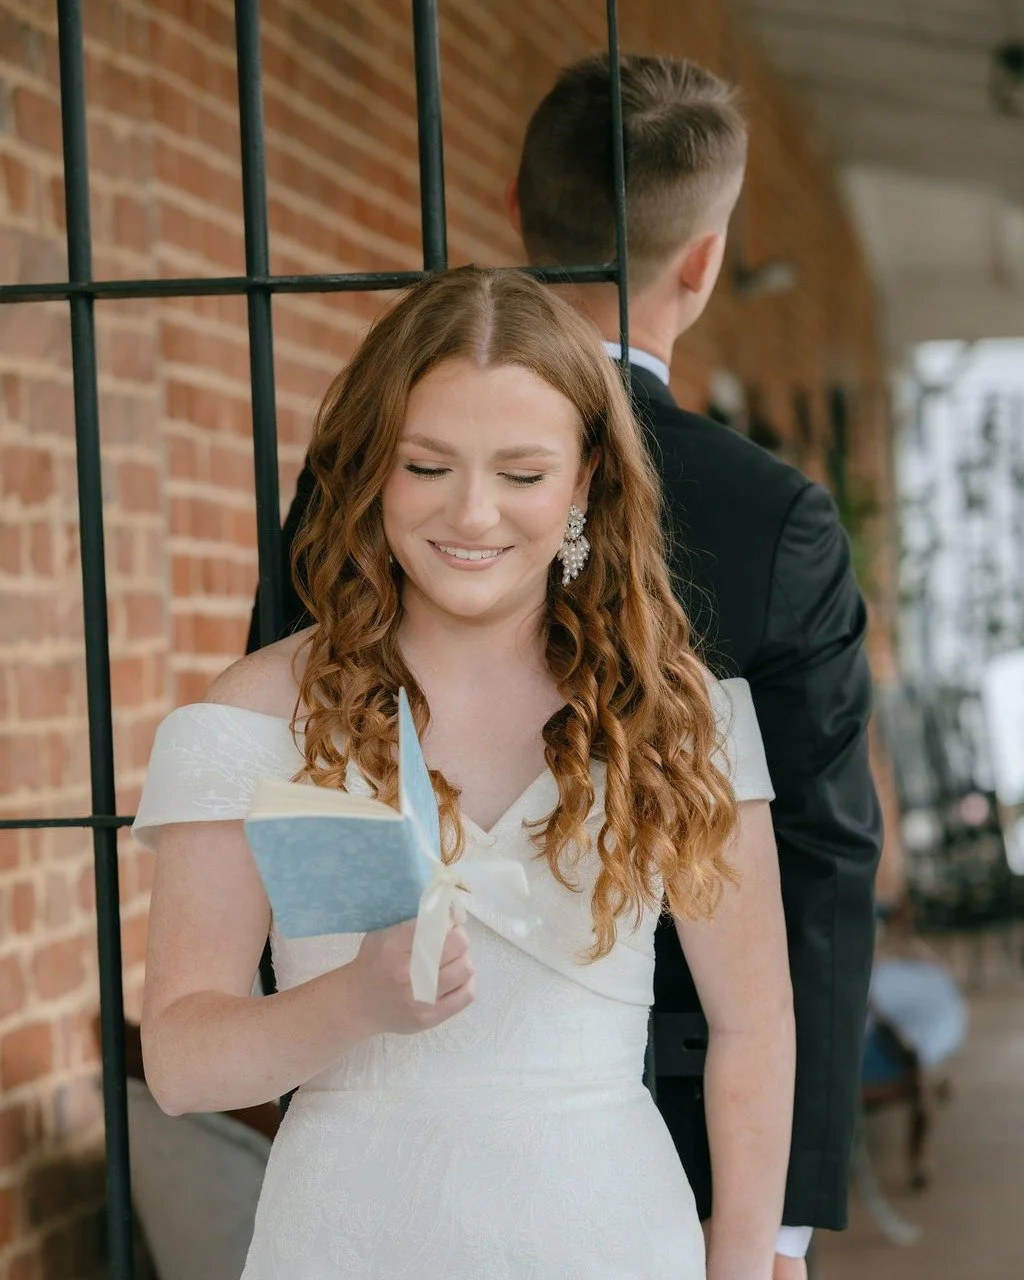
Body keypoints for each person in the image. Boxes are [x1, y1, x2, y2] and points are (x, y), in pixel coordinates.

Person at [252, 55, 883, 1276]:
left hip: (412, 1128)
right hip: (702, 1137)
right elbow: (822, 853)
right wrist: (774, 1231)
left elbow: (313, 769)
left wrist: (348, 1072)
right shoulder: (771, 514)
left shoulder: (360, 471)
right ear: (701, 260)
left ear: (515, 209)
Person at [135, 267, 794, 1278]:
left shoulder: (666, 715)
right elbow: (179, 1061)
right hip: (347, 1241)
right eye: (428, 464)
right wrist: (354, 999)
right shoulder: (262, 719)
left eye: (523, 474)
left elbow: (752, 1022)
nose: (474, 512)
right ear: (371, 469)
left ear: (584, 484)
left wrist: (743, 1258)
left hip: (613, 1238)